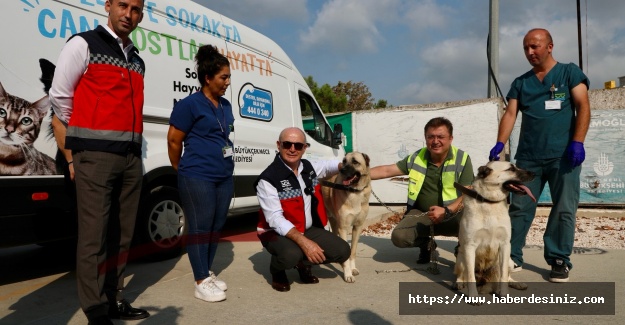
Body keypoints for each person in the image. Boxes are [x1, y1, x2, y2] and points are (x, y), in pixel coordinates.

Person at [49, 1, 149, 324]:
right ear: (107, 6)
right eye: (122, 5)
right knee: (93, 235)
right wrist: (80, 144)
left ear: (142, 14)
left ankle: (115, 297)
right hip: (95, 156)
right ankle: (95, 309)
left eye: (136, 9)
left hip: (131, 159)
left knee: (122, 234)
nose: (128, 14)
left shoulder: (137, 60)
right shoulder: (83, 44)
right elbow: (60, 97)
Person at [489, 28, 590, 283]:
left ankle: (558, 259)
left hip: (563, 157)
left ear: (550, 46)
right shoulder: (521, 82)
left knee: (564, 208)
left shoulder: (569, 72)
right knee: (520, 208)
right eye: (526, 48)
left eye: (534, 47)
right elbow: (510, 114)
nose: (530, 52)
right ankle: (511, 256)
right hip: (529, 158)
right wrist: (500, 144)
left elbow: (583, 105)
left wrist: (577, 142)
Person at [167, 45, 234, 302]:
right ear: (208, 78)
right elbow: (174, 141)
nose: (228, 82)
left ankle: (207, 272)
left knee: (216, 226)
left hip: (224, 175)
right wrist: (180, 168)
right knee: (199, 227)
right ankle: (200, 281)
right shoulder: (190, 105)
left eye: (228, 77)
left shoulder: (225, 105)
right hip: (197, 175)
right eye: (223, 77)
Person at [255, 127, 351, 292]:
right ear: (279, 145)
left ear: (305, 148)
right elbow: (275, 220)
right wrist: (305, 243)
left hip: (305, 228)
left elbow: (330, 166)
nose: (292, 149)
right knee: (291, 255)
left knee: (342, 251)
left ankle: (302, 264)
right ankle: (277, 270)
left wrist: (349, 167)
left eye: (298, 146)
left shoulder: (308, 167)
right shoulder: (268, 179)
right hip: (274, 232)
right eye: (287, 144)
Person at [370, 117, 474, 264]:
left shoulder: (462, 158)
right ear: (425, 138)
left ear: (451, 139)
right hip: (424, 214)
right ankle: (427, 245)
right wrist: (360, 174)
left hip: (454, 214)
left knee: (473, 223)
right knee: (400, 237)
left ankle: (462, 250)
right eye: (431, 137)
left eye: (440, 137)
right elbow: (387, 170)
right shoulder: (417, 157)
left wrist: (447, 210)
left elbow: (467, 192)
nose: (435, 141)